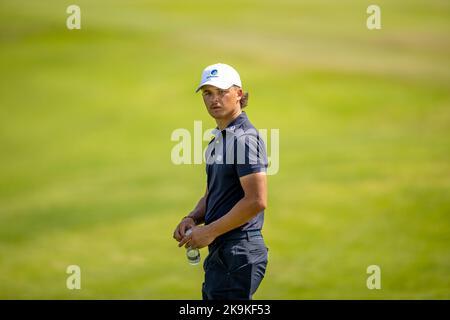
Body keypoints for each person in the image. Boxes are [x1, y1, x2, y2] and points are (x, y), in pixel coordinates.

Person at [173, 63, 269, 300]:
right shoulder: (218, 140)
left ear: (239, 94)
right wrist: (193, 217)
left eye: (222, 92)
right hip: (224, 250)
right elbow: (211, 195)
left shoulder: (244, 138)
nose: (214, 99)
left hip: (239, 249)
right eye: (208, 93)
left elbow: (256, 201)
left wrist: (209, 232)